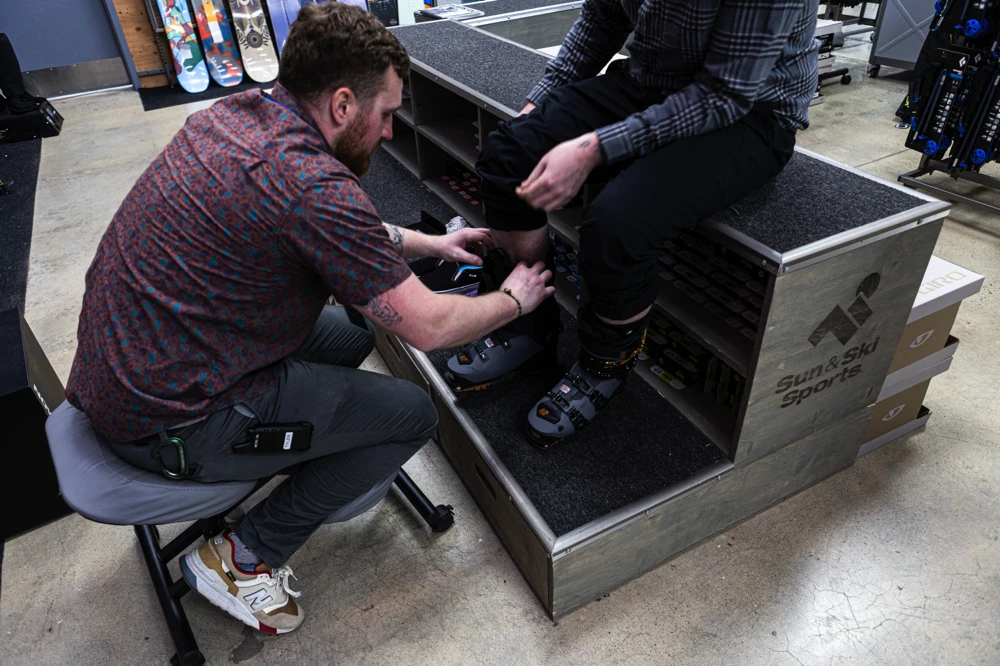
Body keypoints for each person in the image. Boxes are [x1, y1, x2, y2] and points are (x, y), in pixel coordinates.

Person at [65, 3, 553, 635]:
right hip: (171, 422)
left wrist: (429, 245)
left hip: (127, 370)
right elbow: (428, 327)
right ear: (344, 104)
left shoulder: (234, 117)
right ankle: (244, 557)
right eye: (384, 115)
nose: (388, 133)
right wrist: (515, 299)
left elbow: (334, 230)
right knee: (411, 414)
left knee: (351, 330)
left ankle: (304, 448)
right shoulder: (315, 188)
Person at [446, 0, 820, 447]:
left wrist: (592, 149)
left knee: (618, 221)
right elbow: (603, 19)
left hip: (750, 111)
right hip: (652, 80)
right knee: (509, 155)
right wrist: (535, 110)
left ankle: (604, 364)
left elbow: (726, 94)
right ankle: (530, 323)